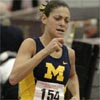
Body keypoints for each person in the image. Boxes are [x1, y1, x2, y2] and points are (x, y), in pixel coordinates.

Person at [9, 0, 80, 100]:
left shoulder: (70, 53)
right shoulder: (31, 44)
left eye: (66, 20)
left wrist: (76, 95)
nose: (62, 24)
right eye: (57, 18)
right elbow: (13, 78)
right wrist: (45, 51)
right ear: (44, 19)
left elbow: (72, 76)